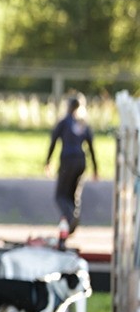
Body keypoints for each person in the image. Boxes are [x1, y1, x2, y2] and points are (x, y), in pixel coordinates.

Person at [44, 92, 99, 249]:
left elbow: (54, 141)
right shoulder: (83, 124)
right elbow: (91, 146)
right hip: (81, 161)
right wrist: (95, 167)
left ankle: (71, 217)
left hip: (68, 161)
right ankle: (66, 231)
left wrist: (48, 161)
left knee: (60, 196)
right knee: (73, 196)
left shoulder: (64, 122)